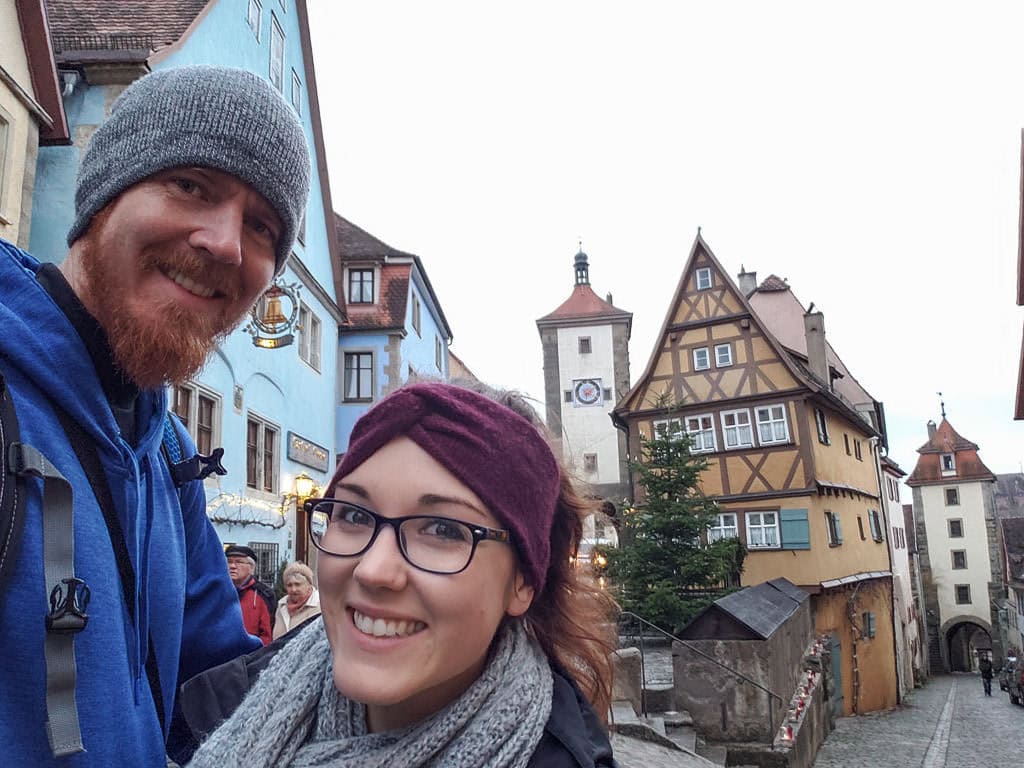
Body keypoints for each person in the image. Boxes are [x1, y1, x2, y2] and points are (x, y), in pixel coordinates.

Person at [0, 65, 310, 767]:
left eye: (261, 225)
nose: (226, 243)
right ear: (105, 196)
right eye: (192, 185)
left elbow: (209, 698)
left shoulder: (164, 452)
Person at [183, 381, 619, 768]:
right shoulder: (226, 703)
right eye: (353, 514)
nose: (374, 570)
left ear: (522, 581)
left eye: (443, 529)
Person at [226, 545, 278, 645]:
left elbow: (267, 634)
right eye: (229, 561)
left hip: (252, 655)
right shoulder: (220, 591)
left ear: (251, 567)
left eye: (239, 562)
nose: (232, 566)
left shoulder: (264, 594)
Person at [273, 561, 321, 640]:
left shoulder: (320, 606)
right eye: (289, 585)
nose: (293, 589)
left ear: (309, 585)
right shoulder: (281, 606)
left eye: (298, 584)